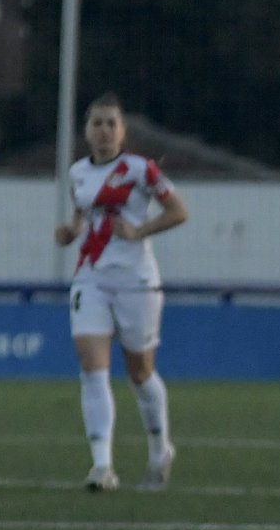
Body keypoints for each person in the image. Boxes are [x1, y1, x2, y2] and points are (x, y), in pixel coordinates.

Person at [54, 92, 189, 492]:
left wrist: (139, 231)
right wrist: (70, 232)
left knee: (140, 372)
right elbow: (82, 218)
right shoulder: (78, 173)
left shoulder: (140, 170)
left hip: (136, 281)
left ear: (123, 130)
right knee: (92, 368)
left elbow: (179, 211)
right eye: (97, 123)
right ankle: (102, 467)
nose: (104, 131)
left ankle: (160, 449)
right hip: (91, 278)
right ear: (86, 130)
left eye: (112, 123)